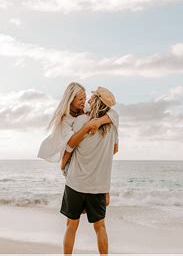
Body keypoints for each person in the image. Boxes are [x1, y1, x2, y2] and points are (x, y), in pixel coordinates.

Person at [60, 87, 119, 255]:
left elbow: (70, 145)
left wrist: (63, 162)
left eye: (92, 97)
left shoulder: (81, 122)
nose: (88, 99)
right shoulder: (112, 126)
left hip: (76, 183)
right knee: (100, 227)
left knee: (71, 226)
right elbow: (114, 149)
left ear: (97, 101)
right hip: (98, 185)